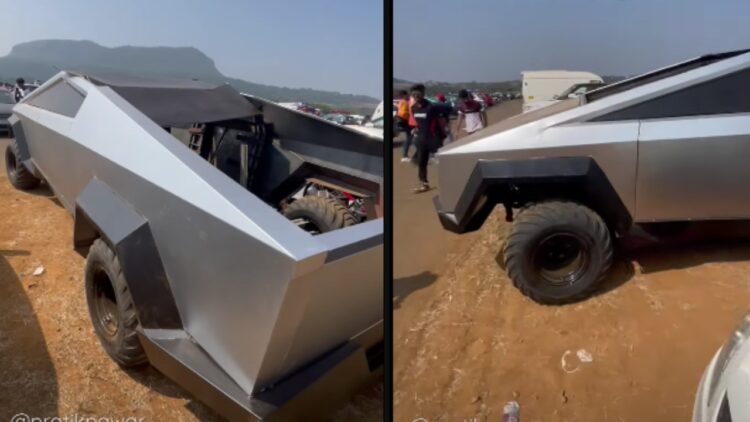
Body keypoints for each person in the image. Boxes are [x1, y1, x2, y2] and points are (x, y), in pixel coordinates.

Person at [410, 84, 451, 193]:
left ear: (423, 94)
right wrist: (416, 129)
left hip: (434, 139)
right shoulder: (413, 108)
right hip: (421, 140)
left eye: (418, 94)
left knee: (443, 161)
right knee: (421, 163)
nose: (416, 96)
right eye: (414, 94)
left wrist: (444, 128)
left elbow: (448, 111)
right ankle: (424, 183)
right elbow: (418, 123)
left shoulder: (432, 107)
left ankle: (451, 181)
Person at [395, 90, 414, 162]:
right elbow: (402, 113)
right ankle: (404, 156)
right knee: (409, 138)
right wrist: (409, 114)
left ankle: (406, 155)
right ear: (404, 95)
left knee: (410, 138)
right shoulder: (404, 102)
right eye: (407, 95)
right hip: (406, 122)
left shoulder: (402, 101)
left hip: (406, 122)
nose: (408, 96)